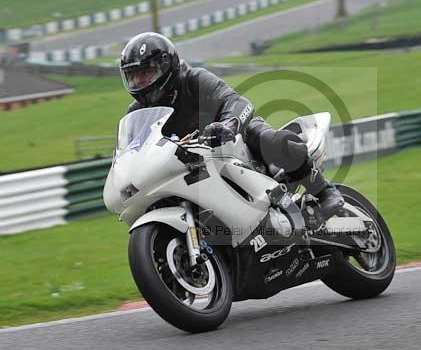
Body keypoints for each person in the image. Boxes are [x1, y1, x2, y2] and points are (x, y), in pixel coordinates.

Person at [118, 32, 344, 219]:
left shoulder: (194, 80)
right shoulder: (137, 113)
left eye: (146, 72)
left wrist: (229, 125)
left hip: (233, 139)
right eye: (134, 76)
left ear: (165, 65)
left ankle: (324, 192)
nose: (140, 82)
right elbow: (132, 153)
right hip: (192, 166)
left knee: (270, 140)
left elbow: (236, 102)